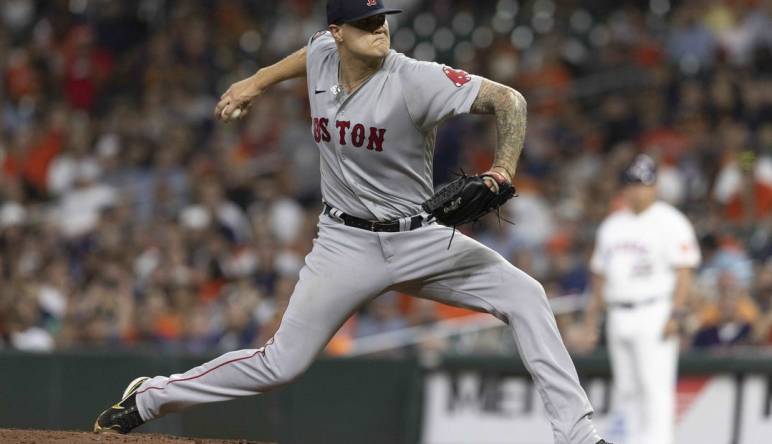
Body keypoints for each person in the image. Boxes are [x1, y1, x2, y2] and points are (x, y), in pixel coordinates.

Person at [94, 2, 608, 443]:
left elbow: (509, 100)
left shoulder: (415, 79)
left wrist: (502, 169)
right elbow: (309, 53)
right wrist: (256, 81)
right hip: (344, 243)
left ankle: (578, 434)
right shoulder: (323, 52)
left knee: (525, 295)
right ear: (339, 33)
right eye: (366, 22)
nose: (380, 28)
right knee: (281, 365)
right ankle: (150, 398)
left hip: (419, 237)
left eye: (383, 19)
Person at [584, 154, 701, 444]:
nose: (637, 190)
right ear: (624, 188)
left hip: (654, 311)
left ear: (655, 187)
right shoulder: (612, 225)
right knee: (627, 390)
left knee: (655, 389)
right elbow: (599, 275)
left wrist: (676, 313)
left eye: (643, 184)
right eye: (632, 184)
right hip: (618, 313)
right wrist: (591, 320)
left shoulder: (670, 221)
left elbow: (684, 271)